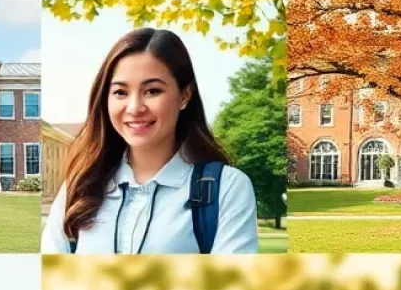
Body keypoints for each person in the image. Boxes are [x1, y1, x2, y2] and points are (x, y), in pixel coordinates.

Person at [42, 27, 259, 255]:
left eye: (152, 91)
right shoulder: (79, 186)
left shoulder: (227, 188)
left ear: (184, 96)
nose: (135, 108)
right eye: (120, 92)